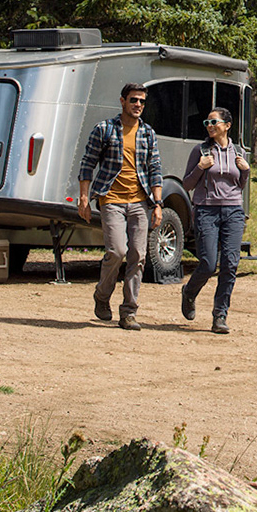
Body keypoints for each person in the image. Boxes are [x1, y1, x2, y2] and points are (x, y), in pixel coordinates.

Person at [78, 83, 162, 331]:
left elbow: (155, 169)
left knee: (138, 255)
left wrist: (158, 204)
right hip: (111, 199)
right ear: (122, 101)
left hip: (139, 201)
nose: (138, 105)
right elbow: (87, 163)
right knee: (117, 251)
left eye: (142, 101)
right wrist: (84, 198)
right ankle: (102, 295)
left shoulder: (148, 133)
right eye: (134, 100)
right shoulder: (104, 129)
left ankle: (129, 312)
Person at [179, 106, 249, 333]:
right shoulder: (200, 150)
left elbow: (240, 185)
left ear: (227, 126)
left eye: (214, 122)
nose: (209, 126)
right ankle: (189, 292)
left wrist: (246, 171)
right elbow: (187, 184)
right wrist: (200, 168)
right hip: (206, 210)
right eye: (207, 123)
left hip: (233, 212)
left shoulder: (238, 152)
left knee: (230, 264)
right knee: (209, 264)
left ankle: (220, 315)